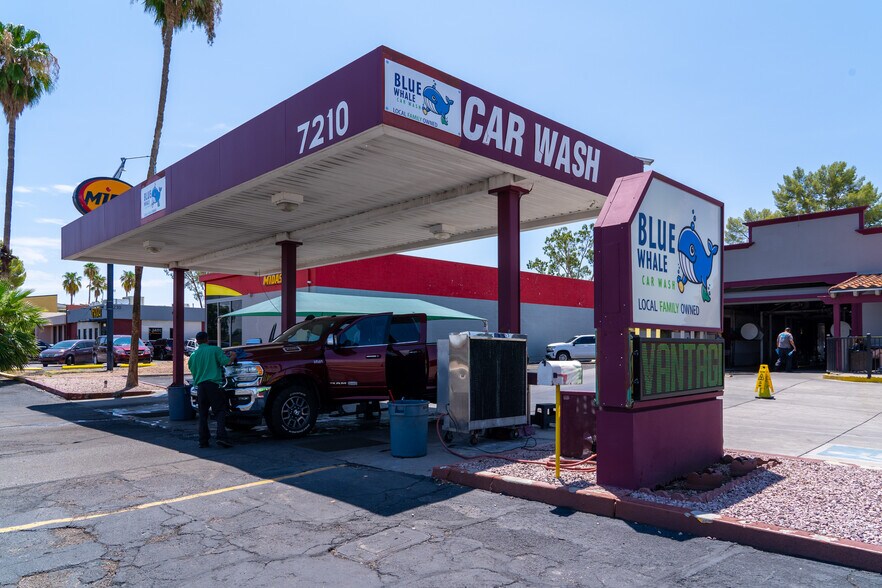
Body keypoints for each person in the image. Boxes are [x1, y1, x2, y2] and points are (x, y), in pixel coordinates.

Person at [188, 331, 237, 448]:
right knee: (220, 411)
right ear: (207, 339)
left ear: (197, 341)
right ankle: (222, 438)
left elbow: (192, 369)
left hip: (200, 387)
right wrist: (232, 356)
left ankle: (203, 441)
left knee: (203, 414)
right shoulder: (215, 350)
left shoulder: (193, 355)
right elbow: (226, 362)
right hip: (214, 385)